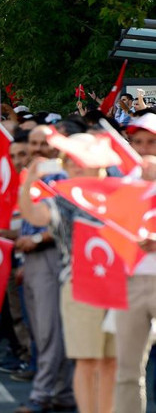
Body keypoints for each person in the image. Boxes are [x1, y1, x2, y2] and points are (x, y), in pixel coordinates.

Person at [20, 134, 117, 413]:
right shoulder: (62, 199)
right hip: (78, 286)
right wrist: (29, 181)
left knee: (111, 362)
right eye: (70, 160)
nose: (75, 165)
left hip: (118, 287)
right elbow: (32, 214)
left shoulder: (119, 193)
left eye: (80, 158)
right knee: (87, 360)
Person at [14, 125, 75, 413]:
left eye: (44, 143)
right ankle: (63, 393)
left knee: (50, 330)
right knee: (42, 330)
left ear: (56, 147)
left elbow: (66, 221)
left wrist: (37, 240)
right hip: (33, 260)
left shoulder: (61, 176)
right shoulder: (35, 174)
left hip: (52, 256)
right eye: (34, 143)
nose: (37, 148)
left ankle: (43, 394)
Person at [114, 113, 156, 412]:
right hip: (130, 283)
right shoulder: (122, 184)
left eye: (151, 142)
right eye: (137, 141)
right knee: (127, 372)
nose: (143, 149)